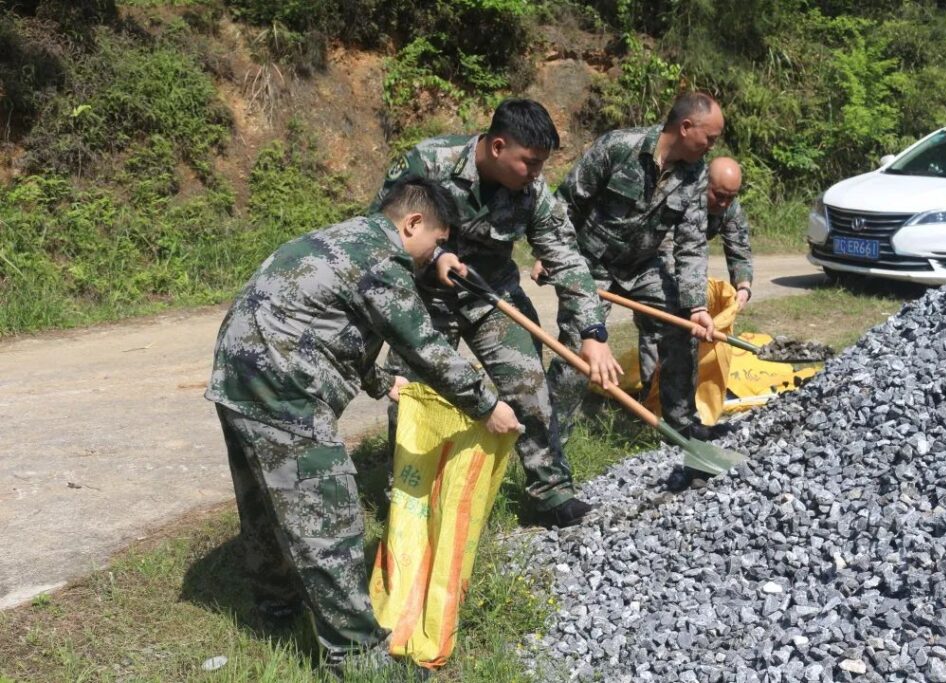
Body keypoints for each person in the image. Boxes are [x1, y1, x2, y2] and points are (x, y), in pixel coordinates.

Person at [204, 177, 520, 673]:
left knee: (265, 500)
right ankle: (355, 655)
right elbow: (425, 346)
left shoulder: (347, 237)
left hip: (238, 373)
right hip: (284, 389)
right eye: (436, 241)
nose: (432, 254)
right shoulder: (383, 259)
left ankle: (277, 605)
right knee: (329, 516)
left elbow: (326, 321)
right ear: (412, 223)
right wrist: (487, 405)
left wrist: (380, 380)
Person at [371, 98, 622, 528]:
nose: (537, 174)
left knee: (529, 388)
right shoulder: (427, 162)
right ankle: (410, 497)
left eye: (543, 164)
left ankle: (552, 493)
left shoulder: (532, 192)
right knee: (416, 397)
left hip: (492, 297)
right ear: (499, 146)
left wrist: (593, 332)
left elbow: (565, 258)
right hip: (424, 298)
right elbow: (381, 231)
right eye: (530, 162)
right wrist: (432, 260)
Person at [541, 91, 723, 441]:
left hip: (643, 265)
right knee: (579, 346)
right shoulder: (619, 146)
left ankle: (681, 422)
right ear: (686, 127)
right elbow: (566, 202)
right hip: (590, 265)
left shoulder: (695, 173)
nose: (711, 146)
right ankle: (550, 437)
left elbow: (691, 243)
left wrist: (697, 305)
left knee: (682, 325)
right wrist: (550, 255)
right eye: (710, 137)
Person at [636, 155, 754, 388]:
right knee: (656, 321)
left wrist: (743, 286)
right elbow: (667, 251)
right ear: (705, 183)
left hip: (686, 259)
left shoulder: (729, 206)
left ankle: (682, 391)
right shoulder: (681, 194)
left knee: (688, 328)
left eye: (730, 197)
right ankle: (651, 392)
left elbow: (738, 246)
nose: (723, 203)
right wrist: (688, 299)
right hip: (653, 259)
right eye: (718, 195)